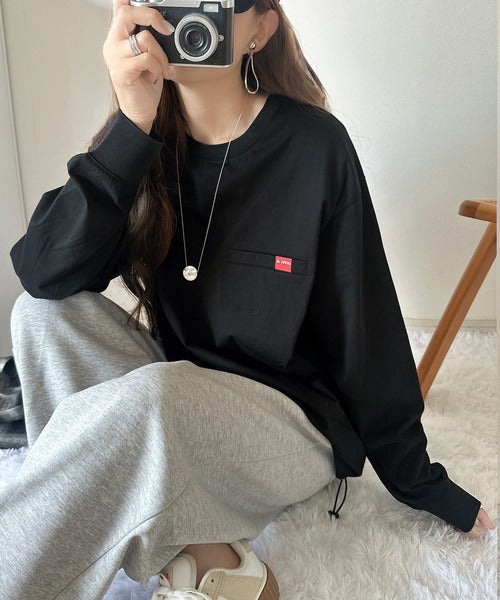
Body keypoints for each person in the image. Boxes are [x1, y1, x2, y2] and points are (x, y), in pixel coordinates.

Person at [1, 0, 495, 598]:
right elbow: (44, 272)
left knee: (152, 401)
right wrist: (130, 127)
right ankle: (198, 549)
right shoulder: (144, 137)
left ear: (259, 28)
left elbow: (366, 326)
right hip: (182, 391)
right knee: (42, 315)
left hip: (290, 423)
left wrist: (420, 480)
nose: (183, 17)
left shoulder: (314, 146)